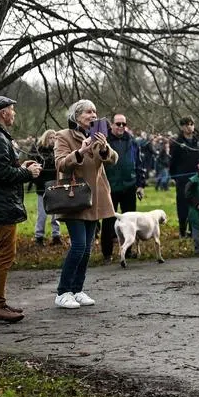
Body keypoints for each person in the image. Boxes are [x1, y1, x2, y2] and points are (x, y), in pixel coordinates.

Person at [0, 96, 41, 324]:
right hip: (0, 205)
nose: (14, 114)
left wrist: (20, 166)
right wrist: (26, 174)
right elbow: (1, 173)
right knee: (4, 256)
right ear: (3, 113)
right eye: (12, 110)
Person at [53, 100, 118, 310]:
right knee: (79, 245)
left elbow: (113, 159)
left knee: (88, 249)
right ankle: (63, 292)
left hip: (96, 198)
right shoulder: (64, 136)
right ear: (77, 115)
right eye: (89, 111)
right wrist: (80, 152)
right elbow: (60, 163)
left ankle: (77, 289)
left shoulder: (98, 135)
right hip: (74, 197)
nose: (93, 115)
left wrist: (105, 148)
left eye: (95, 112)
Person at [99, 113, 145, 263]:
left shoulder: (132, 142)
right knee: (108, 221)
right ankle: (107, 254)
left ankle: (128, 250)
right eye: (118, 124)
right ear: (111, 125)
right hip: (110, 187)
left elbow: (139, 164)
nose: (120, 127)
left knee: (130, 221)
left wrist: (140, 185)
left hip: (129, 185)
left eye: (123, 124)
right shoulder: (104, 141)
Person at [169, 117, 199, 238]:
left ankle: (193, 230)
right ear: (182, 127)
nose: (189, 127)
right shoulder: (177, 143)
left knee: (196, 203)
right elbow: (172, 161)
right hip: (183, 178)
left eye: (191, 124)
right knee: (183, 205)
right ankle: (182, 230)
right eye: (186, 125)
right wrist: (174, 176)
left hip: (197, 176)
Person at [32, 130, 62, 246]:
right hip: (42, 188)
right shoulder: (39, 152)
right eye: (50, 137)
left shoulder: (58, 152)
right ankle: (39, 237)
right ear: (46, 138)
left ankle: (56, 236)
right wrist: (39, 183)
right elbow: (35, 171)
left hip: (55, 186)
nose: (53, 139)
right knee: (42, 214)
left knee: (56, 214)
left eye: (55, 137)